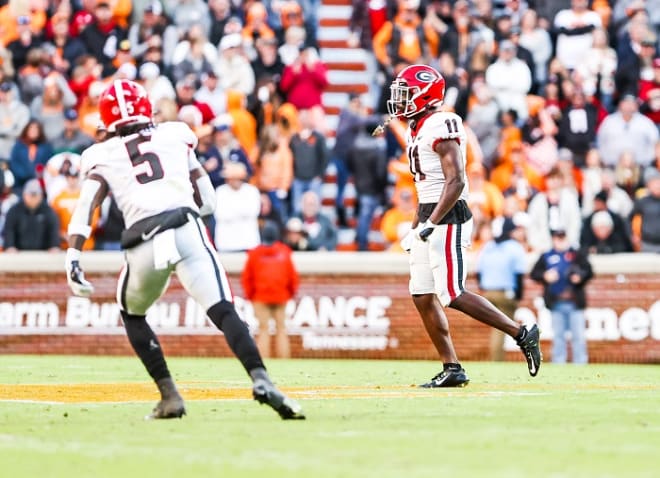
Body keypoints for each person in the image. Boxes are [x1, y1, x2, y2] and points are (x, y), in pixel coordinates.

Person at [64, 79, 304, 420]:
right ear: (147, 107)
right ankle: (260, 378)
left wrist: (73, 254)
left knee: (132, 313)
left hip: (143, 239)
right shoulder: (175, 134)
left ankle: (169, 395)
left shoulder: (100, 154)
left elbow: (86, 206)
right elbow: (208, 200)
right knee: (223, 310)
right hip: (186, 227)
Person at [385, 64, 541, 387]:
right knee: (421, 293)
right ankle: (452, 367)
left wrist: (430, 222)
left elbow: (455, 181)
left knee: (452, 293)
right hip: (429, 215)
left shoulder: (443, 123)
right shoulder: (418, 127)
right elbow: (426, 187)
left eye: (406, 94)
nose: (399, 101)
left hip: (449, 215)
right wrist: (416, 226)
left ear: (424, 96)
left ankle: (522, 333)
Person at [530, 229, 594, 364]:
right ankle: (559, 362)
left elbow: (589, 271)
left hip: (574, 302)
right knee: (558, 336)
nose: (560, 241)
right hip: (556, 302)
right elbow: (534, 273)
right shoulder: (547, 255)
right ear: (553, 239)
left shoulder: (576, 254)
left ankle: (580, 362)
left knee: (578, 336)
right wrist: (545, 276)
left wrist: (580, 277)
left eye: (562, 238)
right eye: (557, 238)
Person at [242, 220, 299, 358]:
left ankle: (264, 363)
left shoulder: (254, 254)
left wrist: (251, 296)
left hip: (260, 297)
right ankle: (284, 362)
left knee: (263, 330)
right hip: (281, 296)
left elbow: (247, 278)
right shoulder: (284, 252)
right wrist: (289, 294)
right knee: (281, 330)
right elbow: (293, 277)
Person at [476, 217, 528, 362]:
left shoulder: (488, 246)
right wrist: (518, 296)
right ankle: (496, 360)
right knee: (502, 328)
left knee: (497, 327)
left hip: (488, 293)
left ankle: (495, 358)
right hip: (505, 293)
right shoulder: (515, 247)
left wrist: (484, 289)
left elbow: (478, 272)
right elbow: (519, 275)